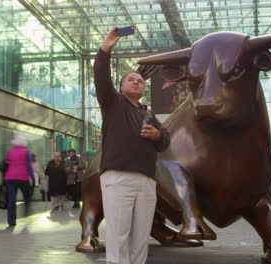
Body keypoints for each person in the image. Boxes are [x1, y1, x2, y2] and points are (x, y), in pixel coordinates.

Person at [95, 27, 170, 264]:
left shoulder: (148, 113)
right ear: (121, 87)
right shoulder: (113, 103)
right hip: (118, 178)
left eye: (140, 80)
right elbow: (101, 77)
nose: (137, 81)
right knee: (118, 237)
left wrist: (158, 135)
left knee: (140, 240)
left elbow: (165, 141)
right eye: (131, 79)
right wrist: (105, 49)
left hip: (147, 182)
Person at [4, 135, 35, 226]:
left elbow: (6, 164)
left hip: (10, 178)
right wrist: (32, 177)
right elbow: (29, 166)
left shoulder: (10, 152)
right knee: (27, 195)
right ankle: (26, 208)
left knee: (11, 200)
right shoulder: (26, 152)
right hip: (22, 177)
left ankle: (11, 221)